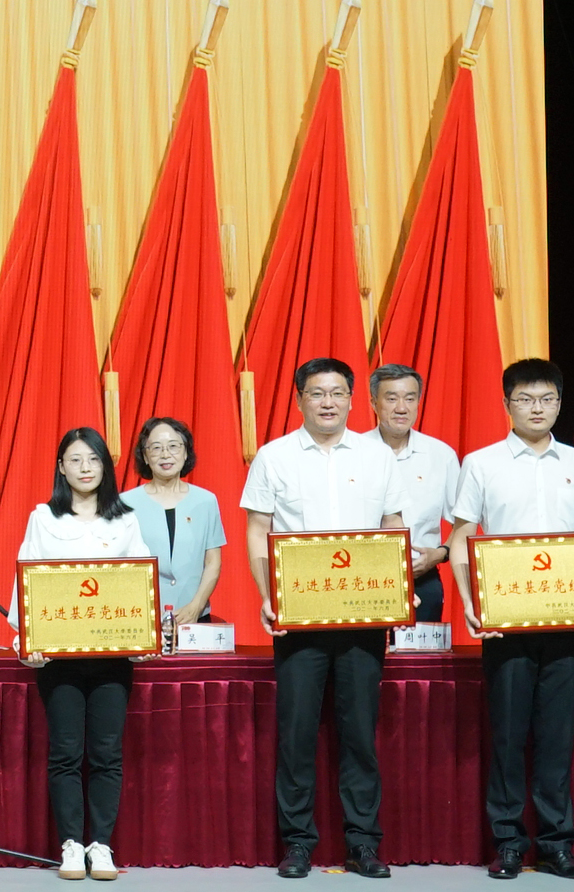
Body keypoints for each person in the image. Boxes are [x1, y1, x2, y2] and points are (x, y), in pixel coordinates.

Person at [243, 357, 399, 879]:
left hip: (363, 618)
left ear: (353, 399)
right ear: (300, 399)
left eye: (336, 393)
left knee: (360, 736)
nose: (327, 402)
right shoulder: (274, 456)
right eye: (316, 393)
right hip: (300, 619)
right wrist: (268, 595)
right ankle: (297, 844)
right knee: (297, 735)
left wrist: (394, 590)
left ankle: (363, 843)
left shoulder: (378, 456)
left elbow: (392, 525)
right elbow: (258, 529)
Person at [446, 359, 574, 881]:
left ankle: (557, 844)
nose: (537, 409)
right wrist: (470, 603)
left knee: (557, 737)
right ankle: (509, 842)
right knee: (508, 737)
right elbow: (462, 537)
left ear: (559, 404)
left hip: (566, 621)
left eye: (547, 399)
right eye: (526, 399)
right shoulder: (482, 463)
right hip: (505, 622)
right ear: (507, 404)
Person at [15, 428, 157, 881]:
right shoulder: (43, 518)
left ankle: (102, 845)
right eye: (75, 460)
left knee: (107, 753)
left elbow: (140, 582)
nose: (85, 468)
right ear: (61, 467)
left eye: (93, 459)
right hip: (59, 660)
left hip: (111, 659)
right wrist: (27, 640)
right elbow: (26, 580)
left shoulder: (125, 520)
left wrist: (144, 637)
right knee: (65, 753)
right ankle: (72, 845)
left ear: (105, 466)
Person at [369, 364, 462, 626]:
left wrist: (440, 553)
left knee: (419, 653)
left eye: (410, 399)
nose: (402, 408)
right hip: (364, 580)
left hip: (423, 578)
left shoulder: (440, 455)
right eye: (391, 399)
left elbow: (462, 522)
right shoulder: (355, 453)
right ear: (373, 402)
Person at [115, 417, 226, 628]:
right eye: (156, 448)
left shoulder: (206, 501)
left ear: (186, 453)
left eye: (173, 446)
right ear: (145, 456)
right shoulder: (126, 503)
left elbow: (213, 562)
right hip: (143, 617)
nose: (165, 454)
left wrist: (196, 606)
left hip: (194, 615)